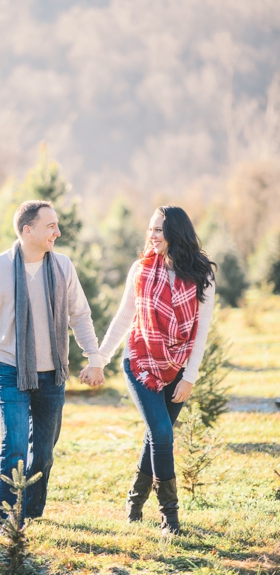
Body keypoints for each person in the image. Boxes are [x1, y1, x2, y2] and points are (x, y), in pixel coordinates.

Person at [0, 200, 100, 529]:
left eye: (57, 225)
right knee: (13, 447)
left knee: (42, 454)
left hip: (52, 375)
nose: (57, 231)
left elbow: (80, 315)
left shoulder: (62, 267)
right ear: (27, 231)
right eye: (50, 226)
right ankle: (9, 521)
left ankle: (29, 512)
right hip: (11, 370)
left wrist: (94, 357)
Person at [79, 206, 215, 535]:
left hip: (178, 368)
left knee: (156, 435)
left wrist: (190, 378)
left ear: (175, 234)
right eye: (150, 229)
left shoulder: (202, 275)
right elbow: (124, 318)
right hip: (139, 362)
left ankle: (134, 504)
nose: (151, 236)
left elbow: (202, 331)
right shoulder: (140, 269)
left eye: (158, 230)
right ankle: (170, 518)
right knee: (163, 433)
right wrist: (100, 357)